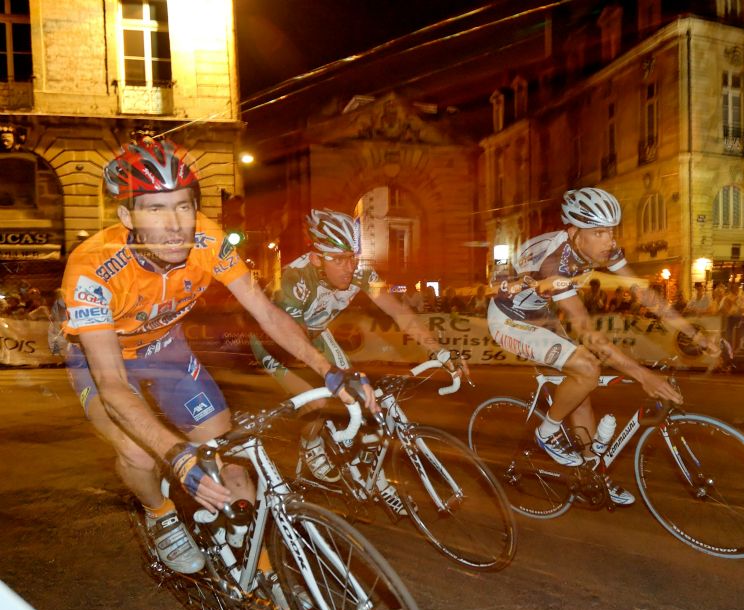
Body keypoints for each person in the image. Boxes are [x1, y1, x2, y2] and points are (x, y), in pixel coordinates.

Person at [57, 137, 363, 575]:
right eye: (155, 209)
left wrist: (330, 371)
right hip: (102, 359)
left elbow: (266, 313)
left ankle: (256, 556)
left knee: (222, 449)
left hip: (164, 346)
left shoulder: (208, 238)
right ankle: (160, 514)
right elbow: (112, 385)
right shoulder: (91, 268)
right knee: (142, 454)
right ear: (127, 216)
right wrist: (175, 454)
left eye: (183, 206)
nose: (175, 223)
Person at [487, 188, 707, 506]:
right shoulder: (555, 261)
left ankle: (594, 478)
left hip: (541, 315)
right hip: (508, 318)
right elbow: (587, 331)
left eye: (611, 231)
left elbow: (645, 295)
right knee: (588, 367)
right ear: (576, 233)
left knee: (582, 395)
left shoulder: (601, 251)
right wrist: (643, 375)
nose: (611, 241)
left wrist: (694, 334)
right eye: (600, 232)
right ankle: (547, 433)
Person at [250, 208, 464, 497]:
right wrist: (328, 375)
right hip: (278, 343)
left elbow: (398, 311)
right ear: (316, 258)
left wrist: (438, 351)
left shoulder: (362, 273)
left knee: (361, 395)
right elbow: (297, 343)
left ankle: (361, 465)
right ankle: (311, 444)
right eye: (339, 260)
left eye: (352, 257)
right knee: (318, 402)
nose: (349, 267)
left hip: (316, 332)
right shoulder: (296, 279)